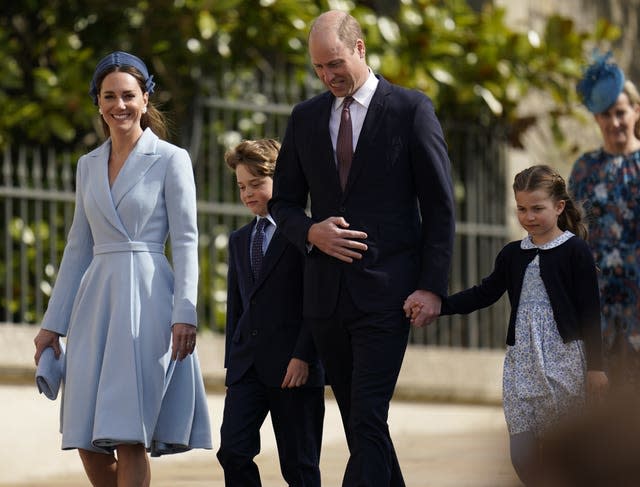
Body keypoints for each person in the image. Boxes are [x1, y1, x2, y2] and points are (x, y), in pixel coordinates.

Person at [268, 10, 455, 486]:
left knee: (368, 415)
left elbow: (439, 206)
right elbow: (285, 203)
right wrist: (311, 232)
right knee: (360, 424)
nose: (328, 76)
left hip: (388, 296)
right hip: (326, 300)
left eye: (335, 63)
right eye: (318, 68)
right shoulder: (305, 118)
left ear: (360, 49)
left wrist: (432, 287)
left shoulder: (411, 109)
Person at [32, 51, 212, 486]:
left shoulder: (172, 159)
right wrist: (51, 325)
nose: (120, 105)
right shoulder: (87, 165)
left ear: (146, 99)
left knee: (129, 434)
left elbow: (186, 240)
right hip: (95, 306)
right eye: (109, 96)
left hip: (148, 302)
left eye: (129, 95)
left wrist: (184, 312)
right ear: (98, 102)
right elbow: (78, 247)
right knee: (84, 436)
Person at [411, 165, 608, 486]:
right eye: (521, 208)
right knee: (521, 454)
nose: (528, 216)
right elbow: (484, 294)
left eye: (537, 208)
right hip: (521, 362)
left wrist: (596, 368)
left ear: (559, 207)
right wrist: (439, 305)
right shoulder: (512, 255)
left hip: (564, 362)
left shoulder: (576, 251)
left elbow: (590, 311)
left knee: (566, 453)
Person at [217, 139, 325, 486]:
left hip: (295, 368)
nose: (248, 193)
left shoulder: (309, 234)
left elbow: (318, 302)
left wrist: (303, 356)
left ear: (282, 182)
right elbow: (238, 306)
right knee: (232, 451)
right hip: (247, 367)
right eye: (241, 187)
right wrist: (232, 365)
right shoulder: (239, 239)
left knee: (299, 467)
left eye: (256, 184)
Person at [569, 52, 640, 393]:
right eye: (605, 115)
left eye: (620, 112)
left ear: (636, 111)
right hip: (596, 306)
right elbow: (571, 233)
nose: (614, 122)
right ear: (596, 119)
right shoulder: (585, 169)